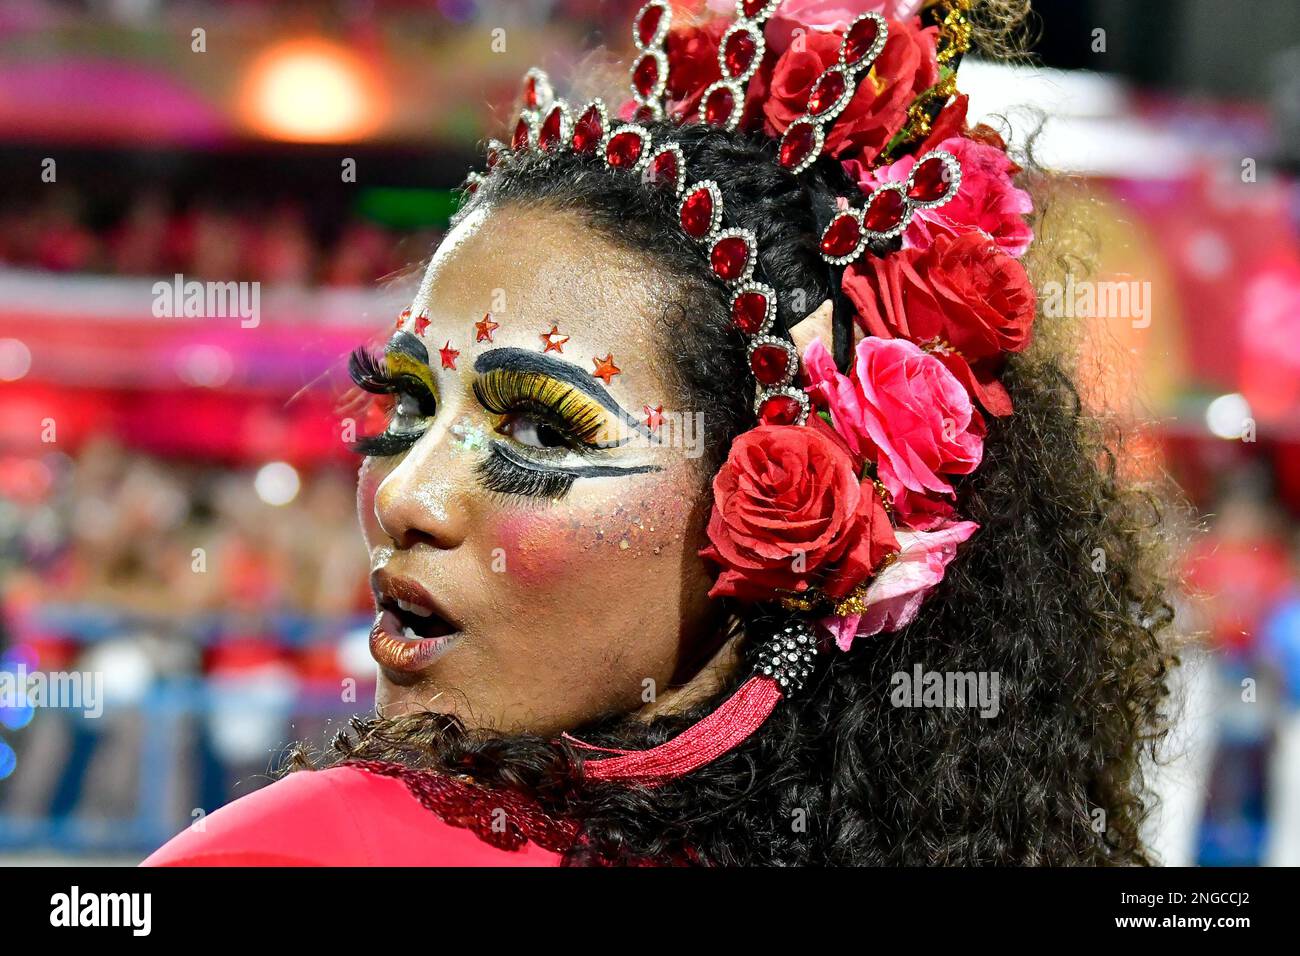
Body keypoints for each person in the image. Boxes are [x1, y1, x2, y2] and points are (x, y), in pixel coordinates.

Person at [144, 0, 1175, 867]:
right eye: (407, 405)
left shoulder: (311, 849)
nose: (408, 496)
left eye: (542, 429)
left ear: (783, 528)